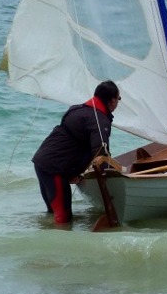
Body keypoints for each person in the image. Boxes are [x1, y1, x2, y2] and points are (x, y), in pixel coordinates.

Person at [32, 80, 121, 224]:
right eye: (118, 99)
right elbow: (100, 154)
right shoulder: (99, 120)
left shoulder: (77, 109)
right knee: (63, 218)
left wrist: (72, 174)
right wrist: (113, 178)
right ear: (112, 101)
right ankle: (62, 244)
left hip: (42, 163)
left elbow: (69, 145)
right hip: (54, 169)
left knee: (52, 214)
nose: (117, 103)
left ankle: (46, 243)